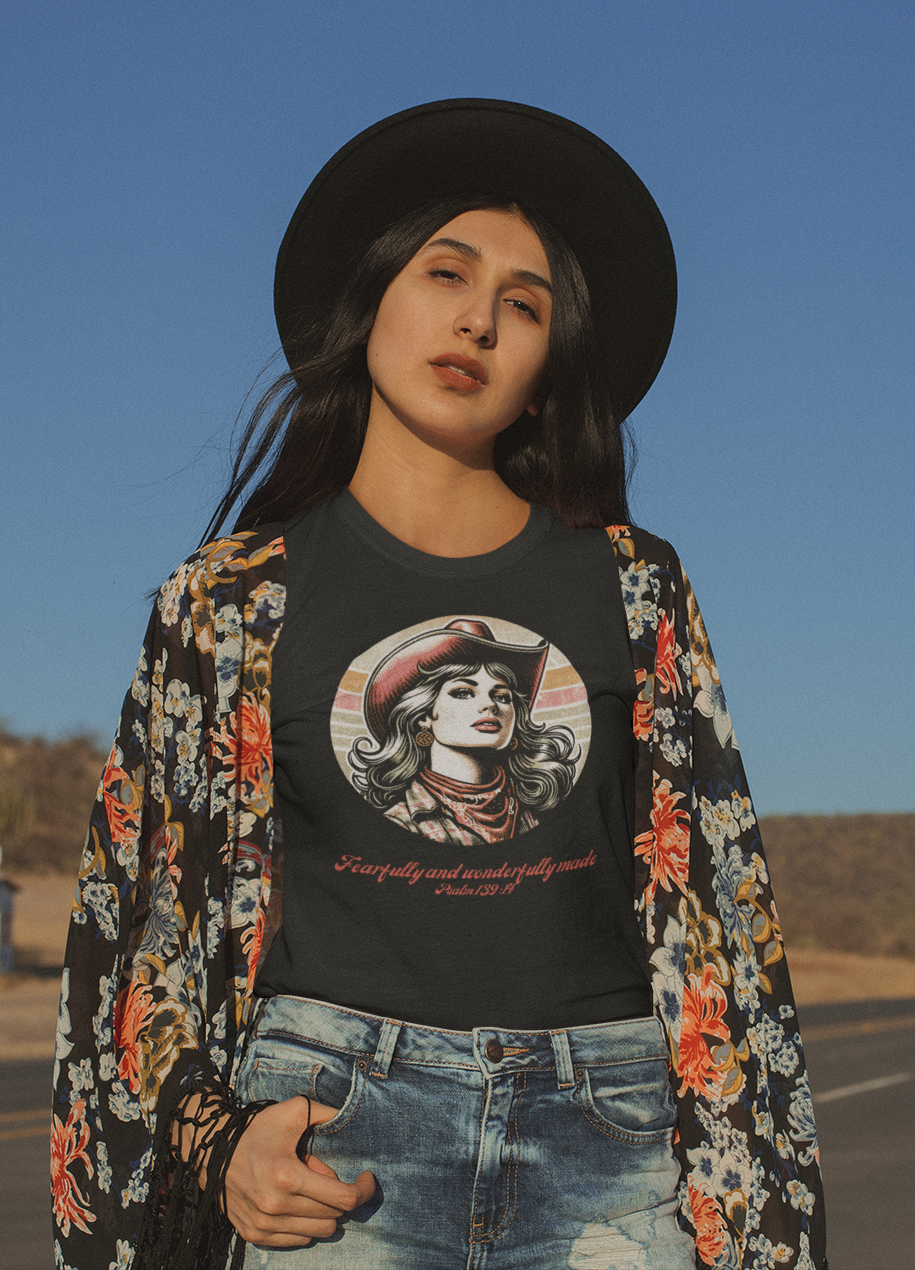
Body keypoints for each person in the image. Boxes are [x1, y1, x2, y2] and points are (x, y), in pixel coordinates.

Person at [52, 100, 827, 1270]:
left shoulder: (635, 587)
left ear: (548, 363)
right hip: (330, 1136)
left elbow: (720, 914)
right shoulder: (227, 600)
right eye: (445, 273)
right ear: (371, 299)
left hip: (613, 1142)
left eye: (526, 303)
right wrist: (223, 1146)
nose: (479, 318)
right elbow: (145, 928)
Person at [347, 618, 580, 844]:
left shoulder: (537, 808)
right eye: (463, 692)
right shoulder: (401, 823)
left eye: (501, 696)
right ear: (423, 717)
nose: (490, 705)